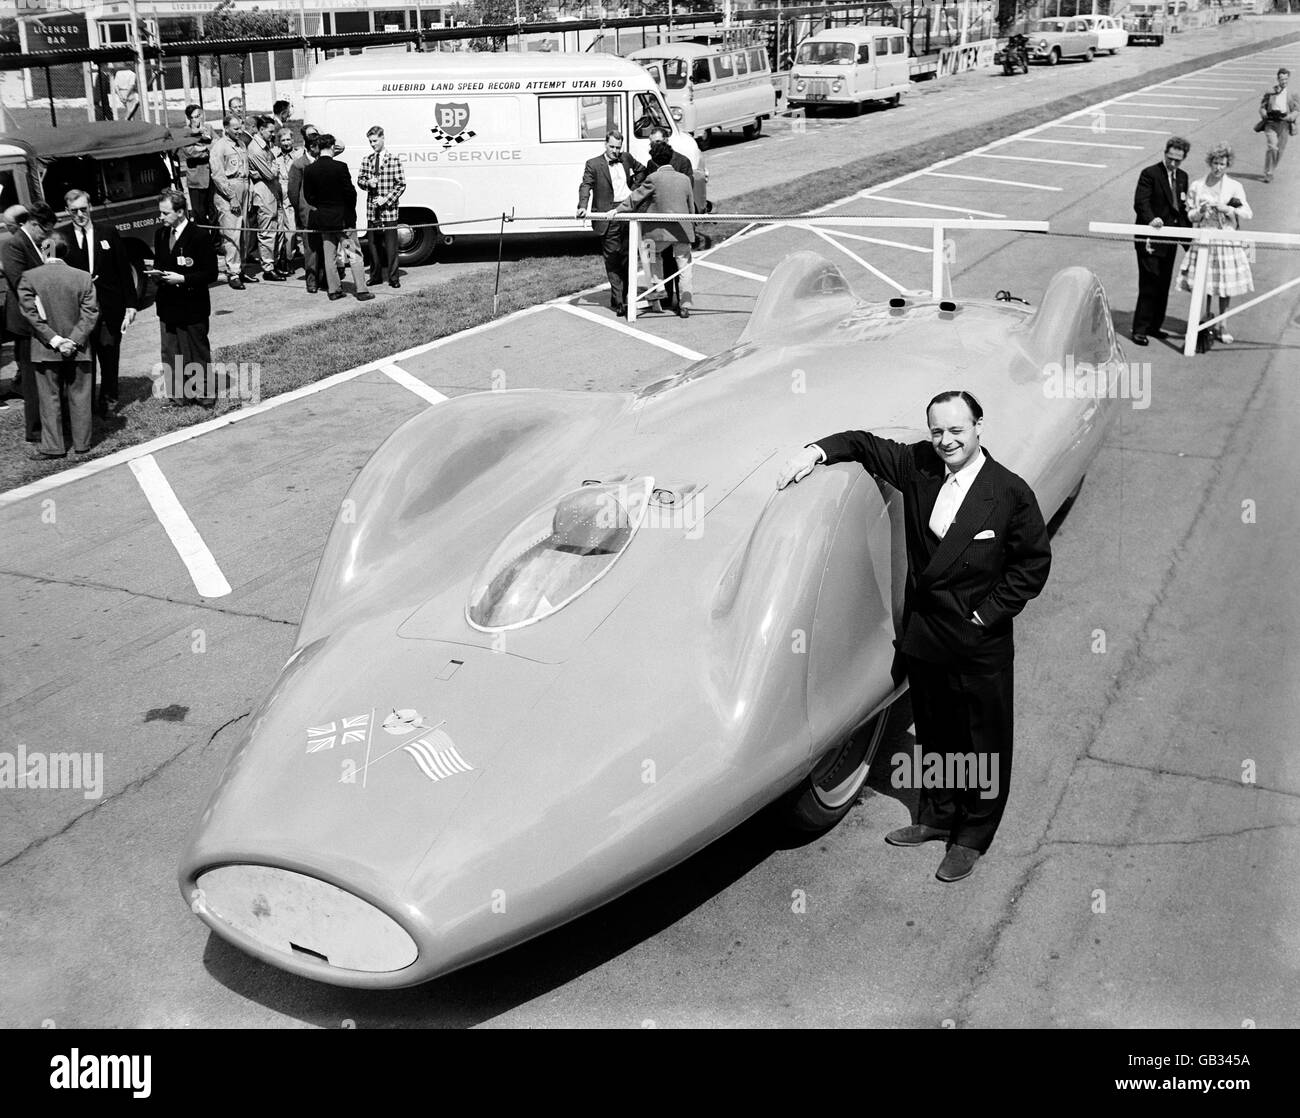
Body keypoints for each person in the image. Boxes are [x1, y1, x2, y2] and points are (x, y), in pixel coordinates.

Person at [775, 391, 1052, 883]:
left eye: (957, 431)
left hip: (976, 642)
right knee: (937, 731)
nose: (946, 441)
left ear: (979, 427)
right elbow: (861, 443)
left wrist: (985, 616)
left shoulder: (1009, 492)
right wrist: (814, 452)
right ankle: (938, 816)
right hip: (926, 636)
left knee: (981, 742)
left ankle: (971, 836)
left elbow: (1032, 565)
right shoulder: (919, 465)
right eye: (937, 431)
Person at [17, 234, 99, 459]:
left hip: (45, 350)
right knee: (80, 395)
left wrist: (54, 340)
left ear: (44, 251)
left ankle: (54, 446)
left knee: (49, 398)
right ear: (65, 251)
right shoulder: (83, 277)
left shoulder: (30, 277)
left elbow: (29, 313)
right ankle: (82, 443)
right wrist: (72, 340)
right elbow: (90, 313)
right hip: (79, 348)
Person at [64, 189, 138, 416]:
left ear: (90, 208)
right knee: (83, 362)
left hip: (108, 308)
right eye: (74, 211)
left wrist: (131, 304)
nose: (80, 215)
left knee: (108, 355)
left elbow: (123, 269)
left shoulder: (108, 232)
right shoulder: (58, 237)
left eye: (83, 209)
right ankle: (83, 406)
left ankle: (108, 401)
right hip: (78, 313)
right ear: (67, 212)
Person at [1178, 143, 1252, 349]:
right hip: (1205, 238)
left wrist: (1227, 208)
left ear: (1228, 165)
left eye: (1222, 164)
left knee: (1225, 286)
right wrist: (1201, 211)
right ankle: (1205, 321)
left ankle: (1223, 325)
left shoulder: (1235, 186)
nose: (1218, 167)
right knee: (1206, 284)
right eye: (1215, 163)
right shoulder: (1197, 185)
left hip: (1226, 239)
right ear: (1210, 163)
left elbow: (1247, 213)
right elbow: (1191, 215)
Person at [615, 139, 696, 319]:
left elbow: (635, 198)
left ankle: (659, 290)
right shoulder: (684, 180)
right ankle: (685, 305)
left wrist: (616, 210)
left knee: (650, 255)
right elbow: (691, 208)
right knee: (685, 268)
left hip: (657, 233)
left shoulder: (653, 178)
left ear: (655, 160)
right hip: (683, 231)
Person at [152, 189, 218, 407]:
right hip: (168, 305)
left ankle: (204, 394)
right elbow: (160, 263)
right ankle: (179, 396)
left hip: (192, 305)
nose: (161, 218)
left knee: (197, 351)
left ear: (180, 212)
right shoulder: (161, 234)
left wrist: (182, 278)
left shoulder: (199, 236)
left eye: (165, 213)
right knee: (172, 352)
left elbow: (211, 273)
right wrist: (156, 274)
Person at [1130, 136, 1191, 347]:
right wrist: (1151, 219)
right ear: (1165, 153)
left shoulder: (1183, 177)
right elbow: (1141, 202)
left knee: (1163, 283)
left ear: (1183, 159)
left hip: (1170, 241)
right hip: (1150, 238)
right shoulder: (1150, 174)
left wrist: (1190, 243)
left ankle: (1155, 326)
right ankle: (1139, 329)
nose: (1173, 163)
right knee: (1149, 283)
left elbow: (1181, 212)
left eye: (1178, 160)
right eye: (1170, 158)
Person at [3, 202, 56, 443]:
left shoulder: (34, 242)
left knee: (44, 374)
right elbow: (20, 283)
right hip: (26, 323)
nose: (47, 236)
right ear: (34, 224)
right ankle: (35, 429)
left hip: (40, 318)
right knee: (32, 378)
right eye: (45, 231)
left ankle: (51, 421)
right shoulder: (14, 244)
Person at [577, 130, 645, 319]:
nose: (615, 151)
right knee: (612, 259)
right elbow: (585, 186)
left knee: (628, 257)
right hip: (608, 216)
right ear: (605, 144)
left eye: (618, 147)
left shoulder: (626, 158)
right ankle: (619, 302)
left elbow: (641, 170)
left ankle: (623, 296)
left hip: (627, 211)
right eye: (612, 147)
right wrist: (582, 206)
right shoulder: (593, 164)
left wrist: (634, 188)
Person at [302, 134, 373, 302]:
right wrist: (349, 209)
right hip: (343, 220)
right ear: (333, 147)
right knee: (353, 254)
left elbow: (308, 196)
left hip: (324, 220)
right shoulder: (340, 167)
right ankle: (361, 290)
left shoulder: (310, 169)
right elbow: (350, 193)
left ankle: (334, 290)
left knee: (329, 256)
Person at [642, 128, 695, 312]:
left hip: (673, 226)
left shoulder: (682, 162)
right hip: (663, 227)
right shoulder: (651, 163)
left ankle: (682, 302)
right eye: (651, 143)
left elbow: (689, 195)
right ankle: (665, 297)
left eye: (656, 143)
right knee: (665, 259)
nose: (653, 146)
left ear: (666, 141)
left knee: (678, 263)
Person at [357, 124, 407, 288]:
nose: (373, 144)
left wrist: (387, 199)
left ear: (383, 138)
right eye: (370, 142)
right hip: (373, 212)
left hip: (389, 211)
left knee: (391, 246)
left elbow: (401, 184)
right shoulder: (367, 160)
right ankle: (375, 276)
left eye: (375, 141)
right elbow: (360, 181)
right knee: (373, 246)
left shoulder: (394, 160)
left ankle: (394, 278)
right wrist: (367, 183)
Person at [210, 113, 252, 289]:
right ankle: (233, 272)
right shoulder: (219, 147)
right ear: (225, 128)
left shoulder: (241, 143)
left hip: (243, 188)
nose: (239, 131)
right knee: (232, 233)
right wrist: (232, 197)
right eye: (235, 128)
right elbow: (218, 176)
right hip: (228, 193)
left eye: (240, 127)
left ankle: (241, 267)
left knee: (243, 232)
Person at [247, 115, 287, 281]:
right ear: (261, 130)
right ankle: (268, 267)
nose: (272, 134)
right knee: (267, 232)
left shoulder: (265, 146)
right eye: (270, 131)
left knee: (278, 229)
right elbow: (270, 173)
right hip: (264, 193)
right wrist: (273, 168)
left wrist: (270, 170)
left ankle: (275, 262)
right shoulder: (256, 149)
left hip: (272, 191)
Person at [289, 127, 325, 294]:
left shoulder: (322, 161)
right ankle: (312, 281)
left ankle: (324, 279)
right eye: (319, 146)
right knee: (310, 249)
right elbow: (293, 193)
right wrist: (301, 209)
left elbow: (339, 145)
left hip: (323, 212)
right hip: (307, 213)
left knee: (325, 247)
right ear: (311, 147)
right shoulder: (298, 165)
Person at [0, 204, 28, 408]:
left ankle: (26, 386)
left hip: (26, 306)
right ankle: (21, 384)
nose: (6, 228)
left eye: (8, 225)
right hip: (18, 307)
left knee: (26, 351)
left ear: (19, 224)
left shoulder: (42, 240)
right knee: (20, 350)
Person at [1258, 67, 1299, 183]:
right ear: (1277, 79)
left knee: (1279, 150)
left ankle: (1271, 169)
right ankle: (1268, 173)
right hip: (1270, 123)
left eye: (1286, 79)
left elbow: (1297, 110)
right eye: (1281, 79)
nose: (1284, 82)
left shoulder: (1292, 93)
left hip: (1284, 124)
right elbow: (1262, 107)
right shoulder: (1270, 92)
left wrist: (1289, 117)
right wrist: (1264, 114)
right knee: (1272, 147)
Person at [182, 104, 214, 229]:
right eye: (194, 117)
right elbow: (191, 152)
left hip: (211, 177)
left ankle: (215, 243)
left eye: (199, 115)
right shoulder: (187, 133)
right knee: (199, 214)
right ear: (189, 119)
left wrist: (202, 147)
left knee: (214, 212)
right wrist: (207, 148)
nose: (198, 119)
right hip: (196, 180)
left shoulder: (209, 128)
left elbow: (217, 144)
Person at [273, 127, 299, 276]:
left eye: (288, 139)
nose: (286, 143)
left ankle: (289, 259)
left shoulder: (298, 155)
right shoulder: (275, 155)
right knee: (278, 230)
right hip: (277, 194)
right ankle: (279, 259)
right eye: (283, 140)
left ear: (293, 140)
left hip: (292, 194)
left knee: (291, 230)